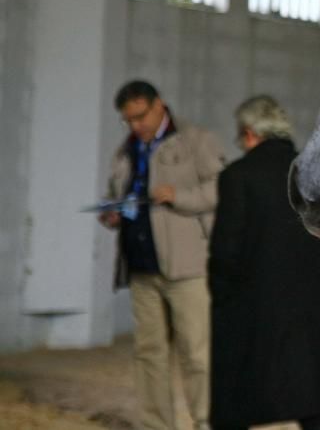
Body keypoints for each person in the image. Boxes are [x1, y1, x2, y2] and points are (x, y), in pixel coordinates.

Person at [209, 95, 320, 430]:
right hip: (309, 311)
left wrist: (221, 301)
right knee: (316, 409)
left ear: (248, 133)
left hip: (249, 313)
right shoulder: (317, 172)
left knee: (235, 407)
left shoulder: (237, 176)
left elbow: (225, 253)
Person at [99, 80, 224, 430]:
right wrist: (111, 212)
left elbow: (221, 187)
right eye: (129, 120)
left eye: (140, 117)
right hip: (141, 268)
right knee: (149, 354)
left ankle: (206, 421)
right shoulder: (126, 150)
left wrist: (178, 195)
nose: (136, 125)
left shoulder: (195, 139)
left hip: (189, 269)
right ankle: (156, 424)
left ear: (159, 106)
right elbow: (117, 192)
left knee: (197, 354)